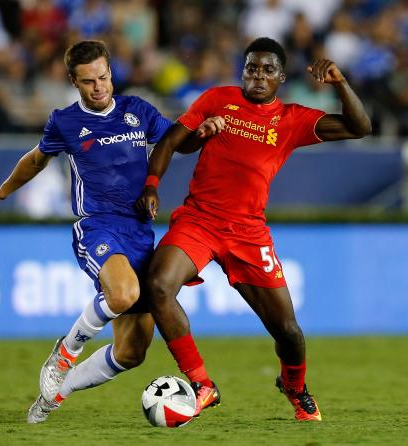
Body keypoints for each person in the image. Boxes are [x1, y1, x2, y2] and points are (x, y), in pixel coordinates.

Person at [136, 37, 372, 421]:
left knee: (290, 333)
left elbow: (360, 127)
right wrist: (151, 184)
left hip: (248, 233)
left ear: (280, 77)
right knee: (159, 285)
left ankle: (295, 387)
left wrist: (341, 83)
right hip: (200, 220)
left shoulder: (292, 118)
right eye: (251, 68)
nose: (257, 76)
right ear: (242, 71)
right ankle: (201, 384)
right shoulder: (216, 99)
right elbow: (169, 142)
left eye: (266, 70)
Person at [0, 40, 210, 424]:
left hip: (140, 233)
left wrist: (205, 131)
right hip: (98, 226)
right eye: (88, 82)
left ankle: (54, 395)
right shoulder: (65, 121)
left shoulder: (138, 111)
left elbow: (176, 143)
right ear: (74, 82)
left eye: (103, 77)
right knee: (124, 293)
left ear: (110, 73)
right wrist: (3, 190)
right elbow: (36, 160)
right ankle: (65, 352)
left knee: (132, 352)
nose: (99, 87)